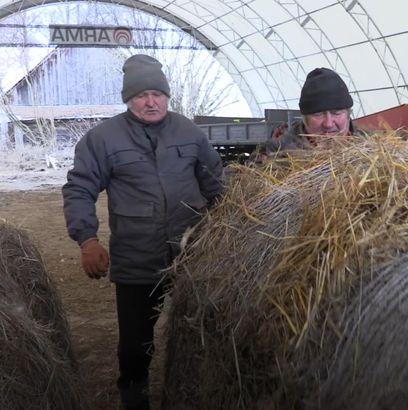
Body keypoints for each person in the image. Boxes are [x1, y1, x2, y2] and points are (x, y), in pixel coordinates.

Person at [62, 54, 223, 410]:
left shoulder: (189, 132)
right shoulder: (103, 139)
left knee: (200, 330)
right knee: (137, 343)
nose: (151, 101)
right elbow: (79, 189)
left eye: (157, 94)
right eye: (141, 95)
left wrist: (226, 239)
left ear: (167, 96)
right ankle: (134, 395)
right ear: (128, 98)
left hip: (192, 256)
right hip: (137, 258)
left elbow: (218, 188)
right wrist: (87, 240)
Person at [263, 67, 364, 153]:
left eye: (336, 113)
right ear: (304, 118)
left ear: (348, 114)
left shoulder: (370, 146)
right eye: (318, 114)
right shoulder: (277, 152)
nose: (328, 124)